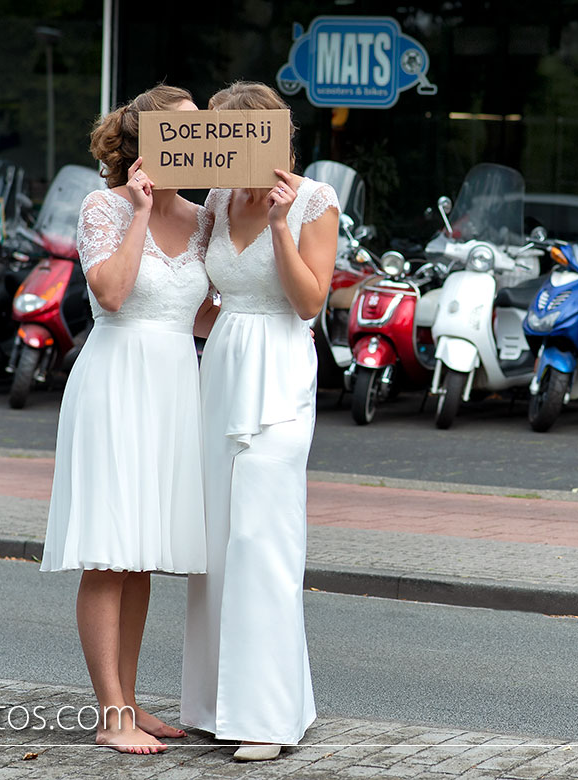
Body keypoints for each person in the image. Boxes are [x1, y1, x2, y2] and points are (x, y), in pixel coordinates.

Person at [40, 84, 212, 755]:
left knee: (141, 558)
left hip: (175, 387)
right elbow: (110, 295)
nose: (198, 143)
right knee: (109, 552)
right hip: (115, 384)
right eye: (185, 132)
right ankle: (111, 714)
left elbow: (194, 310)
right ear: (146, 142)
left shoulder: (203, 218)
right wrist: (142, 211)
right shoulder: (103, 206)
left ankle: (132, 700)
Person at [181, 81, 339, 762]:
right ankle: (219, 705)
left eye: (225, 133)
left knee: (262, 541)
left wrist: (279, 226)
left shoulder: (313, 200)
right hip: (223, 368)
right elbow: (202, 293)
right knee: (216, 542)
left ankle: (270, 717)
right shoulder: (217, 200)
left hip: (280, 373)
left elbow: (309, 303)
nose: (213, 146)